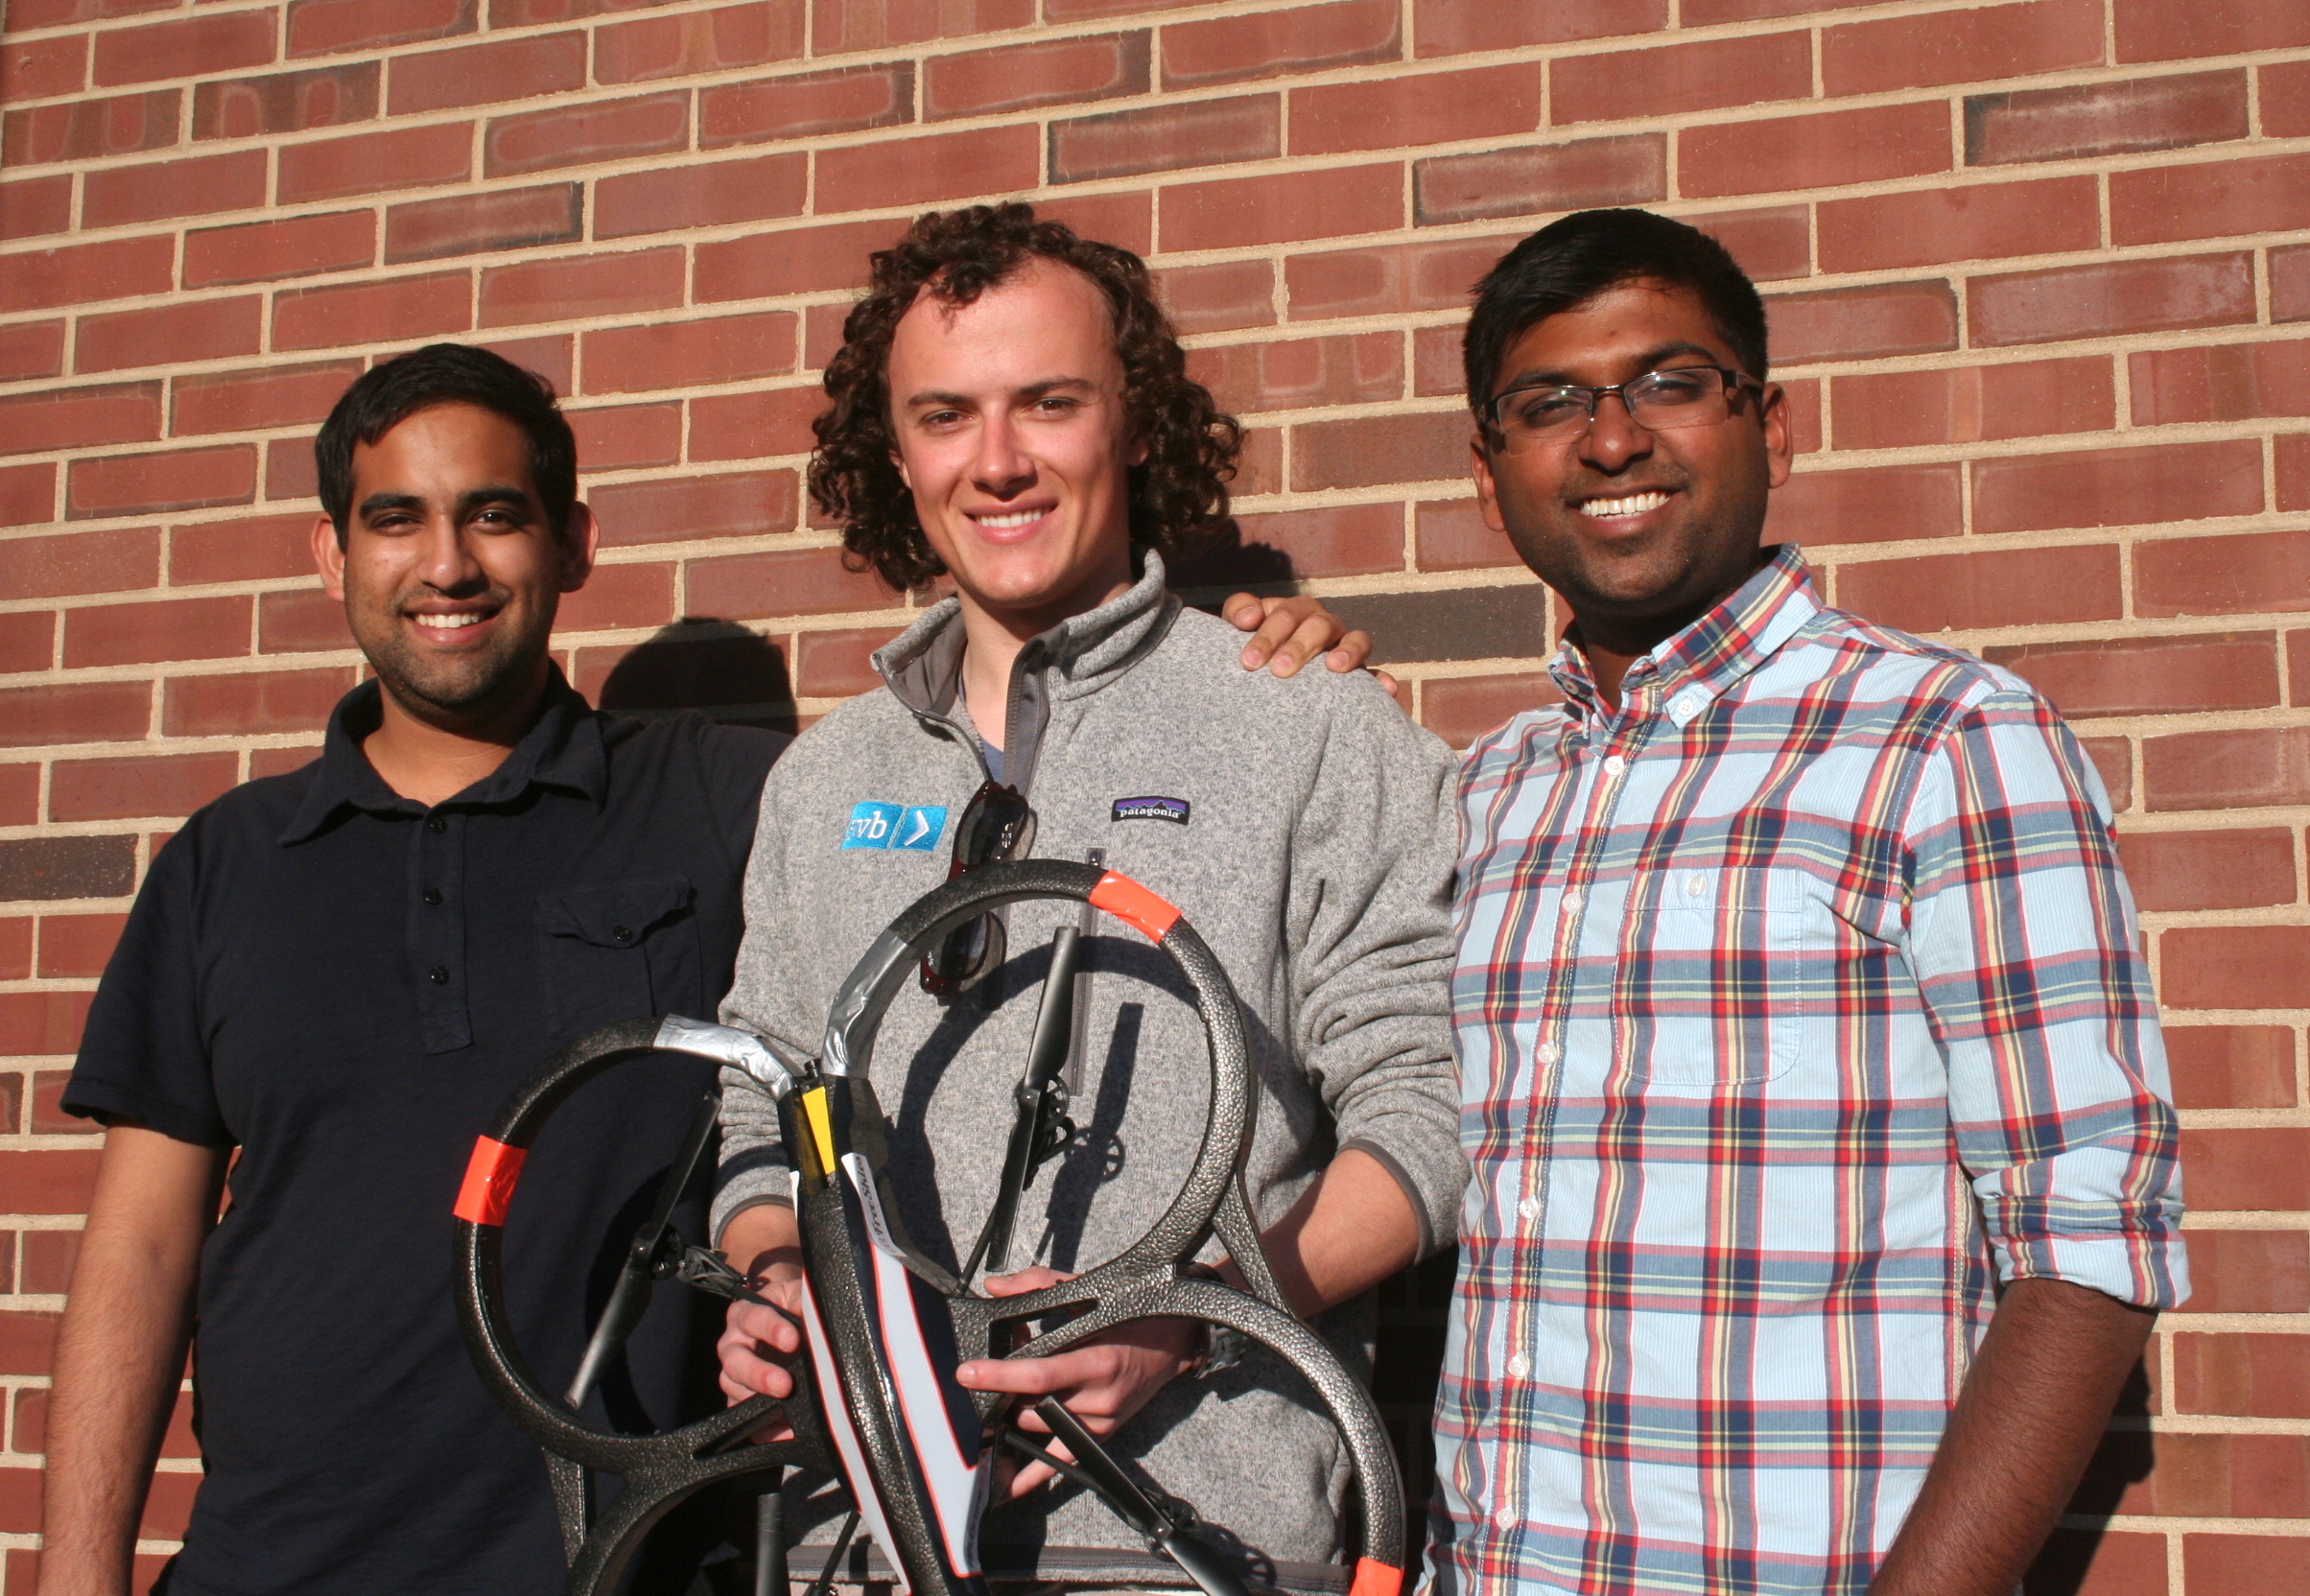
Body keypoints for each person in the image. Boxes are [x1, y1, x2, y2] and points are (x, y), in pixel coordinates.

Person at [36, 337, 1374, 1596]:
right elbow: (141, 1251)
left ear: (573, 543)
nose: (446, 564)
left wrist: (1236, 667)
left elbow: (988, 774)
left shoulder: (729, 799)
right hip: (266, 1561)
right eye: (396, 519)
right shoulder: (225, 861)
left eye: (494, 514)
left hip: (620, 1559)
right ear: (331, 552)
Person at [1427, 207, 2188, 1596]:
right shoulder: (1484, 794)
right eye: (1552, 404)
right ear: (1490, 478)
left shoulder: (1944, 739)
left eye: (1671, 382)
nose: (1613, 440)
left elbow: (2091, 1230)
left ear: (1769, 428)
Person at [710, 202, 1468, 1593]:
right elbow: (763, 1112)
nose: (998, 461)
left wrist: (1200, 1314)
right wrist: (776, 1277)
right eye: (947, 416)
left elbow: (1430, 1111)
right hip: (858, 1547)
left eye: (1048, 403)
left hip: (1197, 1550)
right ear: (898, 454)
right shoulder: (822, 782)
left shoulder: (1306, 726)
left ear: (1134, 424)